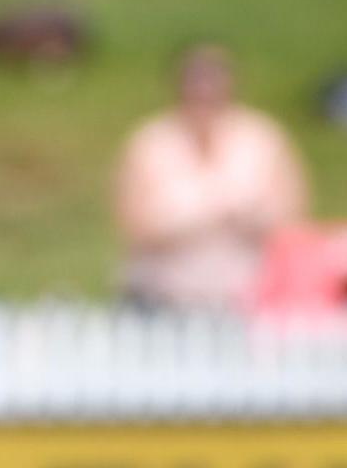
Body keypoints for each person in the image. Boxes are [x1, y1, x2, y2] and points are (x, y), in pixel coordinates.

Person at [114, 43, 309, 311]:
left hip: (248, 295)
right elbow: (135, 225)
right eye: (196, 82)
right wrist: (199, 216)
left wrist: (246, 217)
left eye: (213, 81)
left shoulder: (262, 137)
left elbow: (292, 222)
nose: (204, 92)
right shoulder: (151, 141)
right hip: (163, 296)